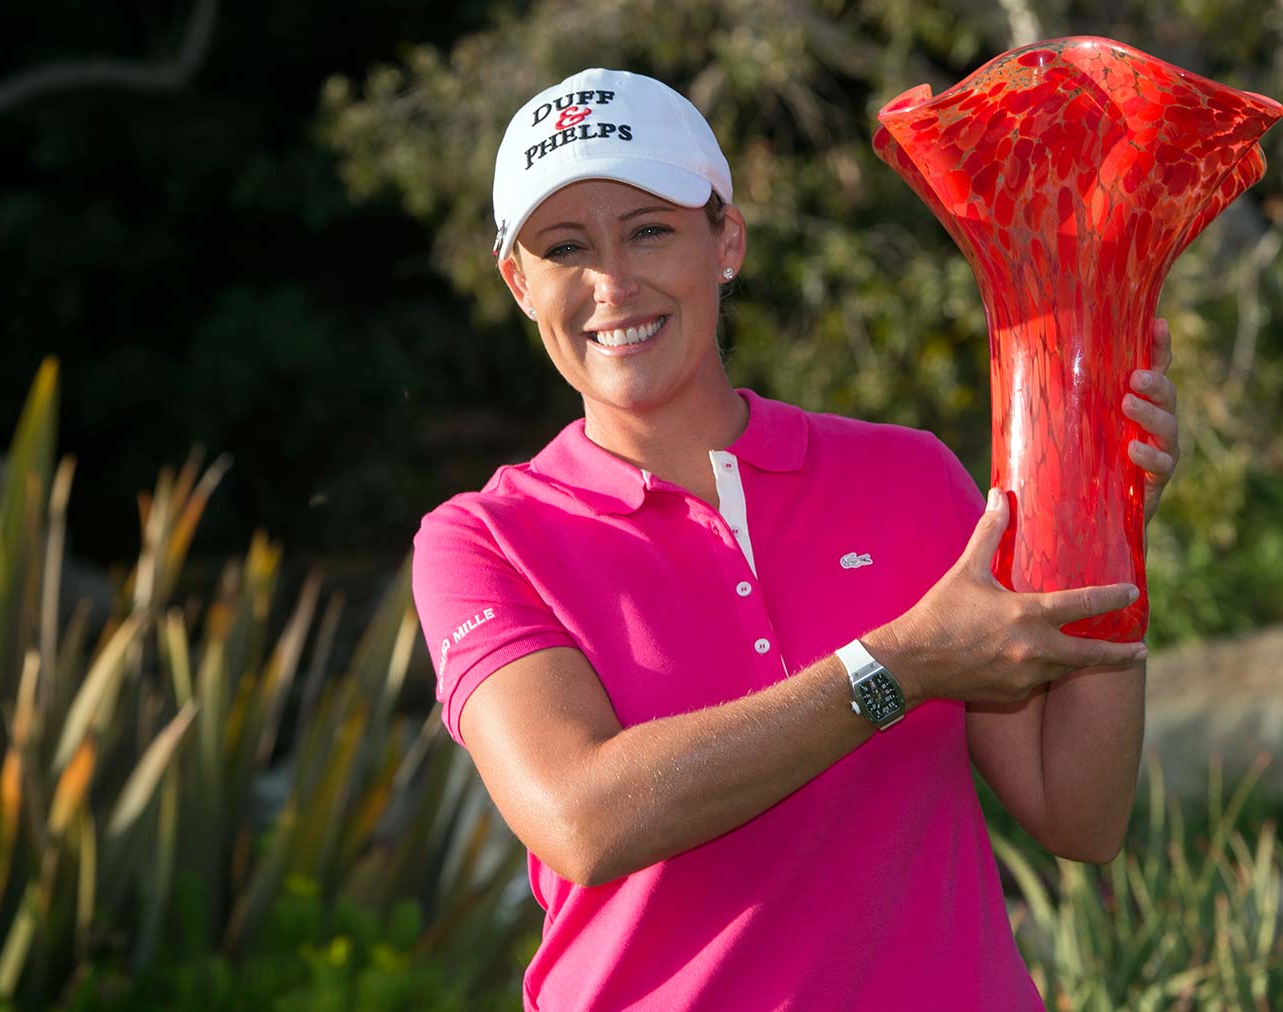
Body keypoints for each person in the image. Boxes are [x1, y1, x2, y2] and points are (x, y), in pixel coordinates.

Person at [411, 67, 1183, 1012]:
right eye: (565, 247)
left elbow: (1082, 814)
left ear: (724, 240)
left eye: (649, 229)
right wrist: (897, 665)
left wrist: (1107, 510)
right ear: (519, 284)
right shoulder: (485, 540)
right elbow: (581, 816)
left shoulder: (907, 477)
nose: (610, 283)